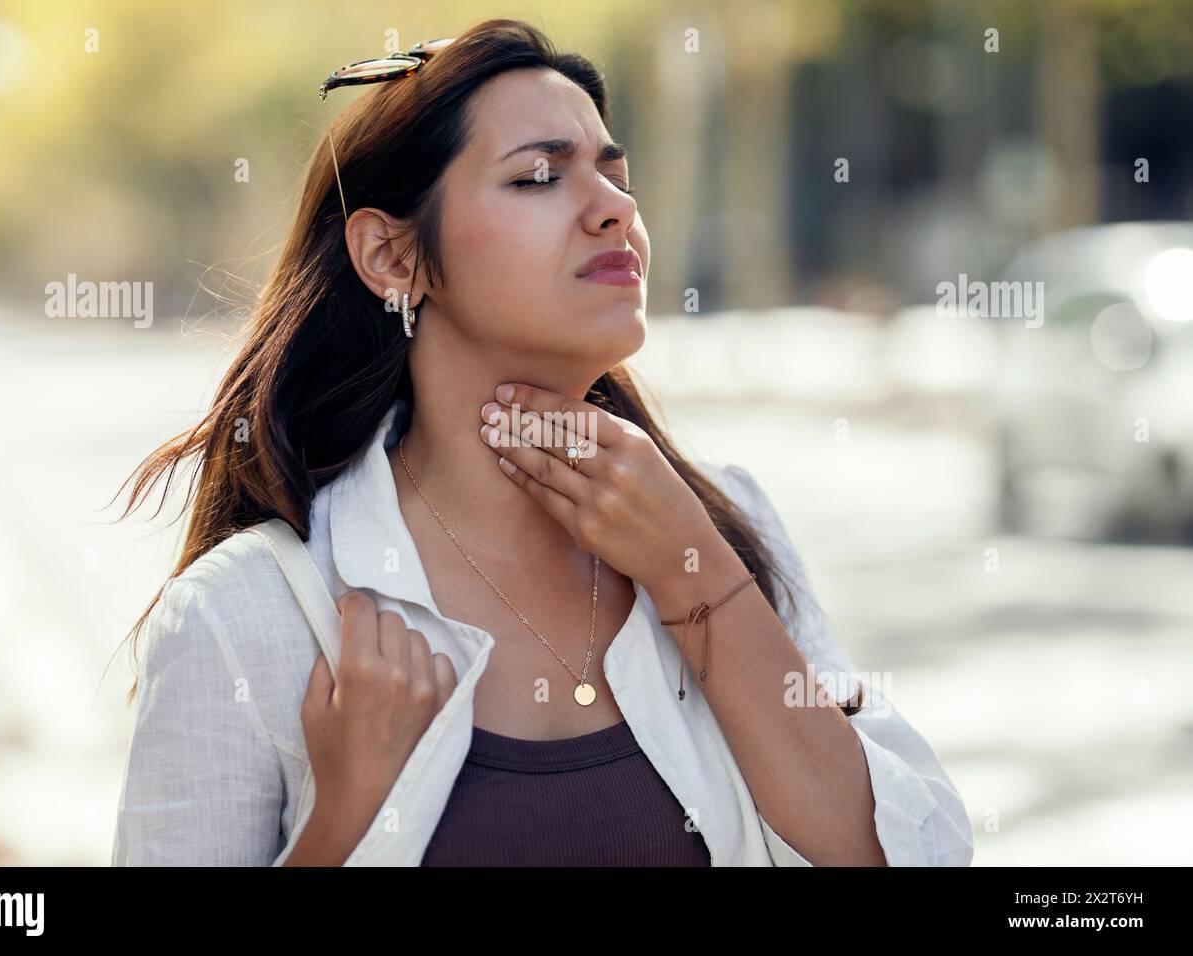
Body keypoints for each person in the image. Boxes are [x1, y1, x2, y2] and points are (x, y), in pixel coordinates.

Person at [109, 18, 974, 867]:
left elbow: (911, 855)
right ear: (390, 256)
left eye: (614, 173)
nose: (614, 210)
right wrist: (341, 827)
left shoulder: (721, 521)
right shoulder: (249, 618)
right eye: (537, 178)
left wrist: (697, 578)